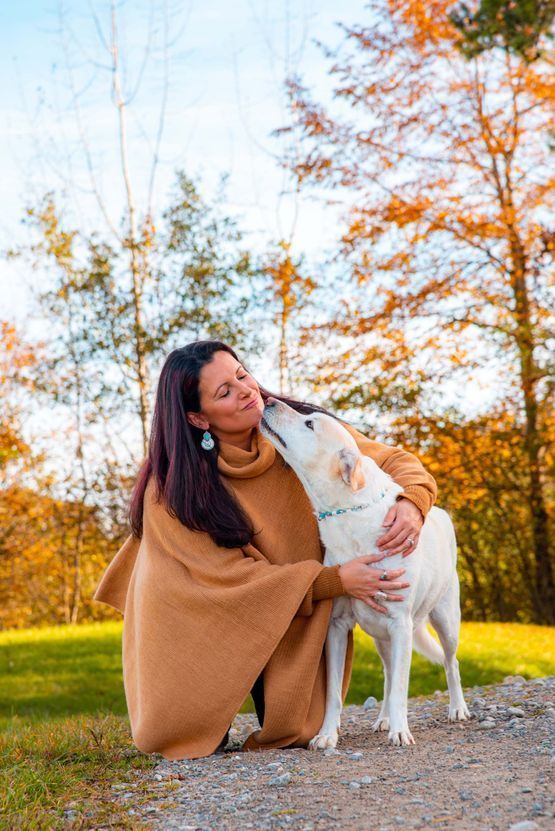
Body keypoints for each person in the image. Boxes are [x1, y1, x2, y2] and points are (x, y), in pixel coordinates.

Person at [93, 340, 436, 760]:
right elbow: (225, 579)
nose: (245, 390)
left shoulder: (302, 431)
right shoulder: (171, 488)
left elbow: (393, 460)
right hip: (202, 613)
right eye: (225, 392)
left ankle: (269, 690)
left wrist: (412, 501)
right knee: (184, 735)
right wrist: (335, 579)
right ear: (198, 418)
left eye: (241, 374)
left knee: (303, 729)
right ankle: (209, 702)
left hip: (293, 607)